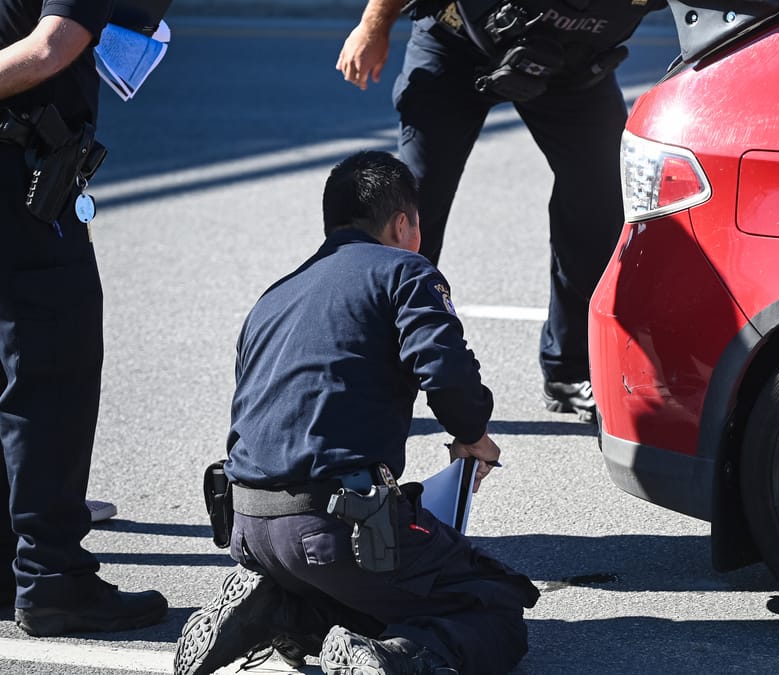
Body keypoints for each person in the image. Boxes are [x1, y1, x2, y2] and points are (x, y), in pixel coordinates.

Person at [175, 151, 539, 675]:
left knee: (361, 585)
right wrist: (471, 434)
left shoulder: (274, 296)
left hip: (250, 524)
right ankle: (394, 659)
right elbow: (446, 371)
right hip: (333, 526)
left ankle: (277, 605)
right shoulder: (405, 272)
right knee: (492, 606)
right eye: (417, 225)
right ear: (401, 223)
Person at [337, 0, 666, 423]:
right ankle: (370, 376)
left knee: (598, 198)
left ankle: (569, 369)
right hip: (456, 44)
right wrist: (374, 25)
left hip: (568, 65)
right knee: (410, 211)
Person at [0, 1, 167, 635]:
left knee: (11, 373)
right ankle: (52, 580)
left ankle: (10, 563)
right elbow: (50, 49)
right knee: (51, 380)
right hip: (24, 183)